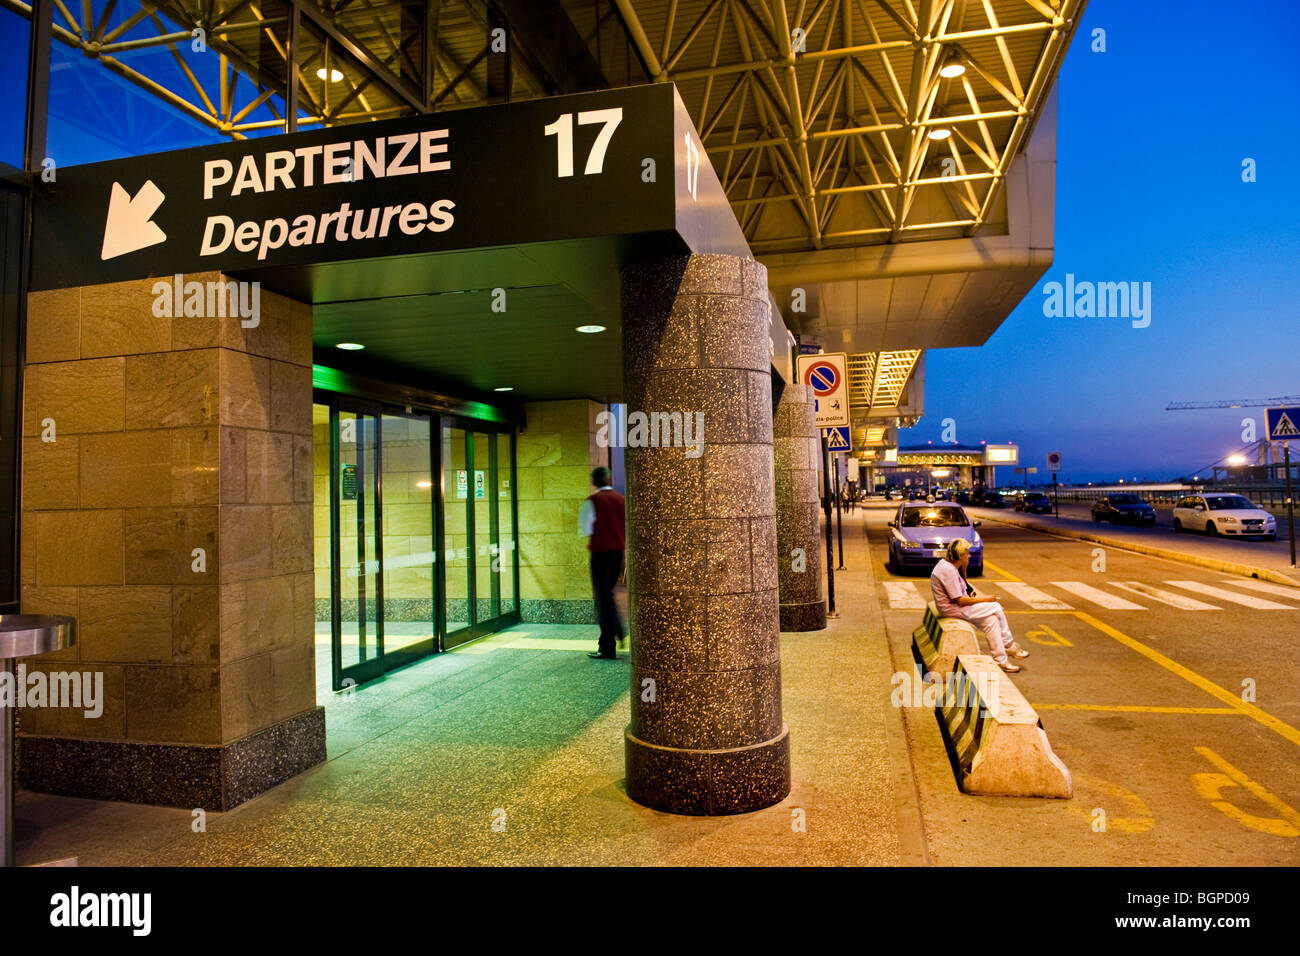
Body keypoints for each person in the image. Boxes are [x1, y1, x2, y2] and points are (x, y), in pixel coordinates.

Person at [930, 539, 1029, 673]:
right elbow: (960, 600)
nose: (969, 556)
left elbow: (962, 586)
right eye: (967, 554)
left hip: (955, 607)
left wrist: (964, 567)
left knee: (991, 621)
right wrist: (985, 599)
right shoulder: (948, 571)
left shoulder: (949, 566)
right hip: (952, 609)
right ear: (960, 556)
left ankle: (1001, 661)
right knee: (995, 606)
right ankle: (1009, 645)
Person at [578, 466, 625, 660]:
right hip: (618, 553)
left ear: (594, 481)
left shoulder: (593, 501)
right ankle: (612, 637)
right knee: (608, 595)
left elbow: (585, 530)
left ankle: (612, 640)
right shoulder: (621, 499)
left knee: (602, 598)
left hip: (600, 553)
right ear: (609, 479)